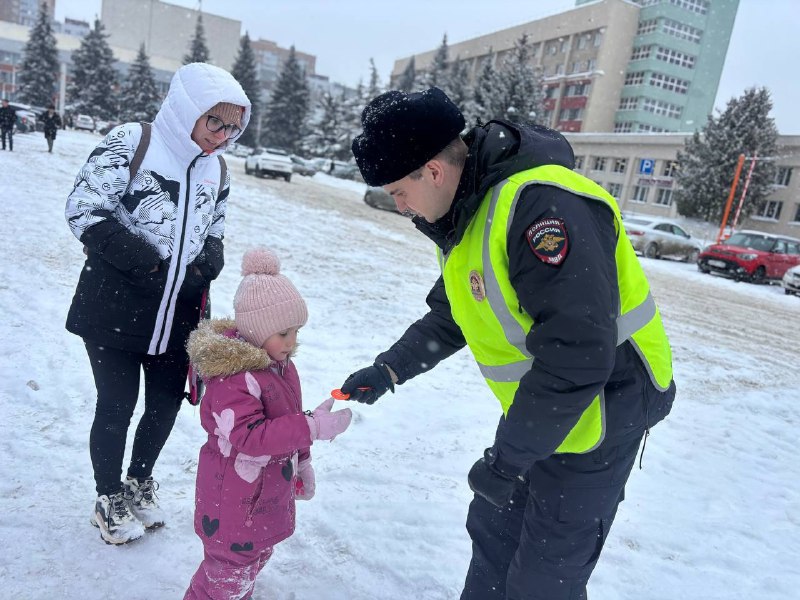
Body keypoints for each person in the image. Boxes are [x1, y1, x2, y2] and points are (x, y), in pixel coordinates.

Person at [340, 87, 676, 600]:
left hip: (606, 409)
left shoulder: (540, 208)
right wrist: (388, 370)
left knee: (544, 577)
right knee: (493, 538)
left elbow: (578, 352)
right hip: (542, 411)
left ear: (432, 170)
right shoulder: (464, 214)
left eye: (398, 192)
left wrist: (507, 461)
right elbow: (454, 313)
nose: (401, 207)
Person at [64, 62, 251, 545]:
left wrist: (210, 258)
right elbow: (83, 209)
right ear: (188, 110)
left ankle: (139, 481)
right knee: (117, 405)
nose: (223, 136)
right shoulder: (135, 141)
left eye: (234, 127)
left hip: (178, 316)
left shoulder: (218, 168)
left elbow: (216, 227)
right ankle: (108, 497)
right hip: (116, 308)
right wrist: (145, 260)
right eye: (216, 122)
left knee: (164, 405)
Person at [183, 247, 353, 600]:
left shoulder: (282, 367)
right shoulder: (234, 377)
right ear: (256, 330)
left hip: (264, 494)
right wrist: (312, 427)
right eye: (283, 333)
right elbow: (250, 436)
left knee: (255, 555)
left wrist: (302, 461)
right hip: (232, 499)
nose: (292, 343)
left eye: (296, 332)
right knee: (225, 578)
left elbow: (289, 419)